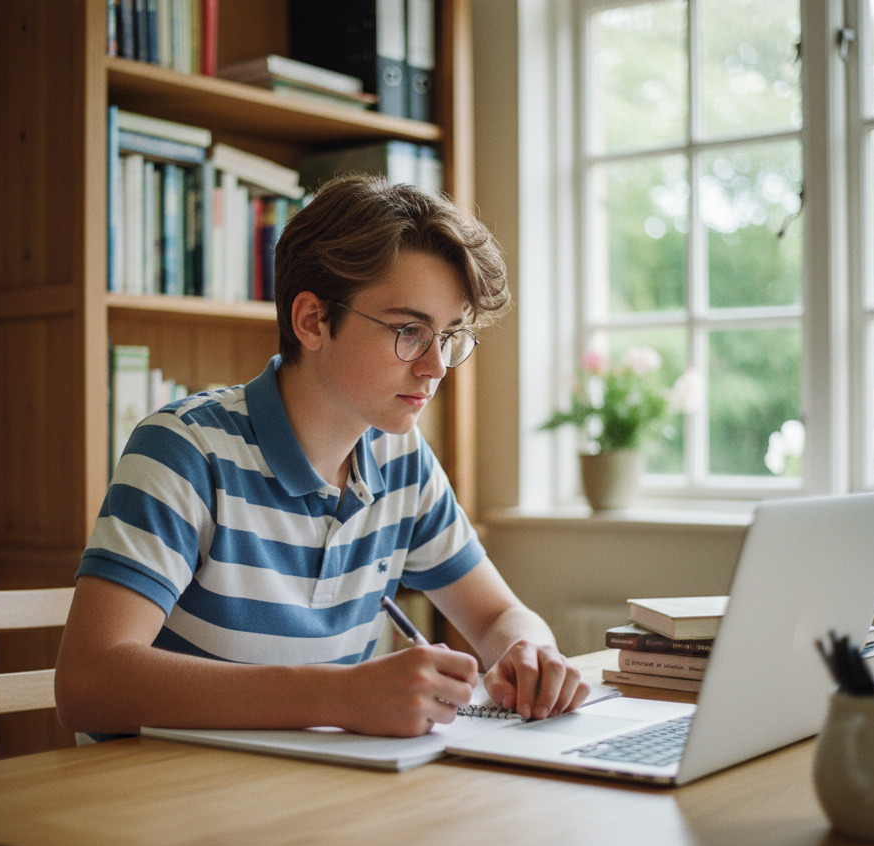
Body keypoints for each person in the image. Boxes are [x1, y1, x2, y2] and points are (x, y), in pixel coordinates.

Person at [55, 175, 590, 739]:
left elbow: (495, 616)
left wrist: (529, 653)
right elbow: (88, 684)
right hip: (163, 807)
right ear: (312, 321)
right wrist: (339, 696)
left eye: (449, 335)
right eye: (409, 330)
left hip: (319, 799)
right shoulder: (185, 450)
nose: (435, 367)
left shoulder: (402, 460)